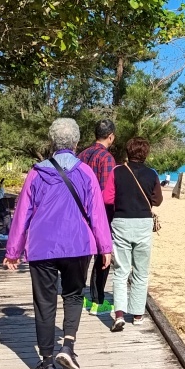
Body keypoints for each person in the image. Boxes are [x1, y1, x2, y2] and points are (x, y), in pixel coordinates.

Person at [3, 119, 113, 369]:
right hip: (78, 245)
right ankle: (69, 346)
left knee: (44, 303)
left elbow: (22, 214)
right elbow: (97, 213)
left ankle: (47, 364)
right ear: (75, 143)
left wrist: (13, 251)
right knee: (74, 295)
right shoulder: (85, 172)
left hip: (42, 247)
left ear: (52, 142)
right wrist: (104, 247)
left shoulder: (36, 173)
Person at [109, 136, 163, 332]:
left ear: (128, 151)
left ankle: (120, 314)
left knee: (121, 271)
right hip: (142, 223)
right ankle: (138, 314)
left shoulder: (117, 172)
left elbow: (108, 197)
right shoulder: (152, 174)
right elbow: (157, 200)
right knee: (140, 271)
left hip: (122, 221)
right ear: (146, 153)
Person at [77, 119, 117, 314]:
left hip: (78, 212)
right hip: (99, 214)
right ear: (110, 136)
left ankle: (78, 296)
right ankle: (97, 300)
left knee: (82, 256)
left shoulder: (81, 155)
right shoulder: (107, 158)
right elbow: (107, 192)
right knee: (102, 257)